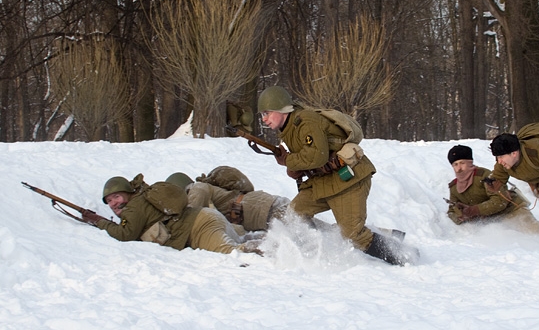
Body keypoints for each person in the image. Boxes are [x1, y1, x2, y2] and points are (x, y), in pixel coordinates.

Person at [257, 85, 410, 265]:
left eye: (267, 113)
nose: (264, 119)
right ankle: (316, 252)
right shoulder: (289, 129)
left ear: (282, 109)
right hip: (323, 182)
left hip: (348, 180)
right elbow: (305, 160)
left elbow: (317, 156)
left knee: (354, 235)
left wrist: (289, 161)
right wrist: (292, 166)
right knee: (295, 214)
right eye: (262, 115)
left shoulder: (305, 120)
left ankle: (402, 256)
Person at [81, 175, 254, 254]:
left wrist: (99, 222)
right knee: (239, 243)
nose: (114, 203)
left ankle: (273, 253)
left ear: (127, 193)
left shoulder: (134, 207)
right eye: (109, 201)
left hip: (199, 227)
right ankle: (269, 243)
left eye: (117, 196)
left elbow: (125, 235)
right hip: (205, 218)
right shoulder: (140, 201)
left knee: (233, 254)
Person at [446, 144, 539, 234]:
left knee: (538, 232)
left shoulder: (485, 176)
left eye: (462, 163)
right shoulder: (454, 187)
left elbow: (500, 201)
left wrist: (473, 210)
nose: (459, 168)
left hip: (511, 211)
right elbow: (451, 210)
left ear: (470, 163)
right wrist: (461, 215)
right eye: (455, 164)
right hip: (490, 220)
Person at [166, 167, 290, 234]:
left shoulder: (197, 189)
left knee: (302, 231)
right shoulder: (200, 190)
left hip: (265, 208)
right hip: (262, 210)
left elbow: (189, 219)